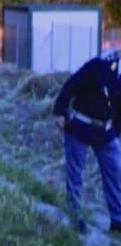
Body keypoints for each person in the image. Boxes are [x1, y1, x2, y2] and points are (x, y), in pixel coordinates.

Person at [52, 50, 121, 235]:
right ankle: (75, 215)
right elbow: (71, 84)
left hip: (106, 131)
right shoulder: (98, 66)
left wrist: (117, 133)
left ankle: (117, 220)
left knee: (116, 171)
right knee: (75, 173)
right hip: (81, 126)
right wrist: (60, 112)